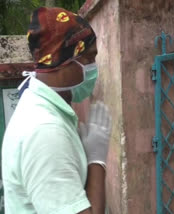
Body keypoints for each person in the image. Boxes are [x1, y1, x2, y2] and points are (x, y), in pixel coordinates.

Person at [1, 7, 111, 214]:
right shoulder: (45, 131)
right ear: (61, 62)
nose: (93, 67)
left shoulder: (37, 107)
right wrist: (96, 161)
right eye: (89, 58)